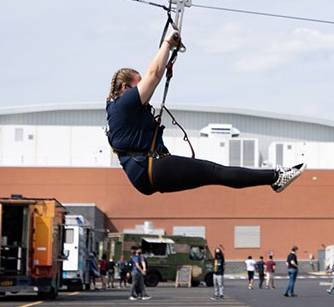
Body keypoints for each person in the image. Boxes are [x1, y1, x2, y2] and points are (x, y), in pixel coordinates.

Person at [105, 29, 305, 196]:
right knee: (216, 172)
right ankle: (275, 176)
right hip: (151, 167)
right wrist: (167, 43)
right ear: (125, 87)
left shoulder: (116, 111)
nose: (143, 88)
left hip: (144, 175)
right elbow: (154, 74)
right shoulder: (124, 104)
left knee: (214, 174)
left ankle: (274, 177)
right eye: (138, 84)